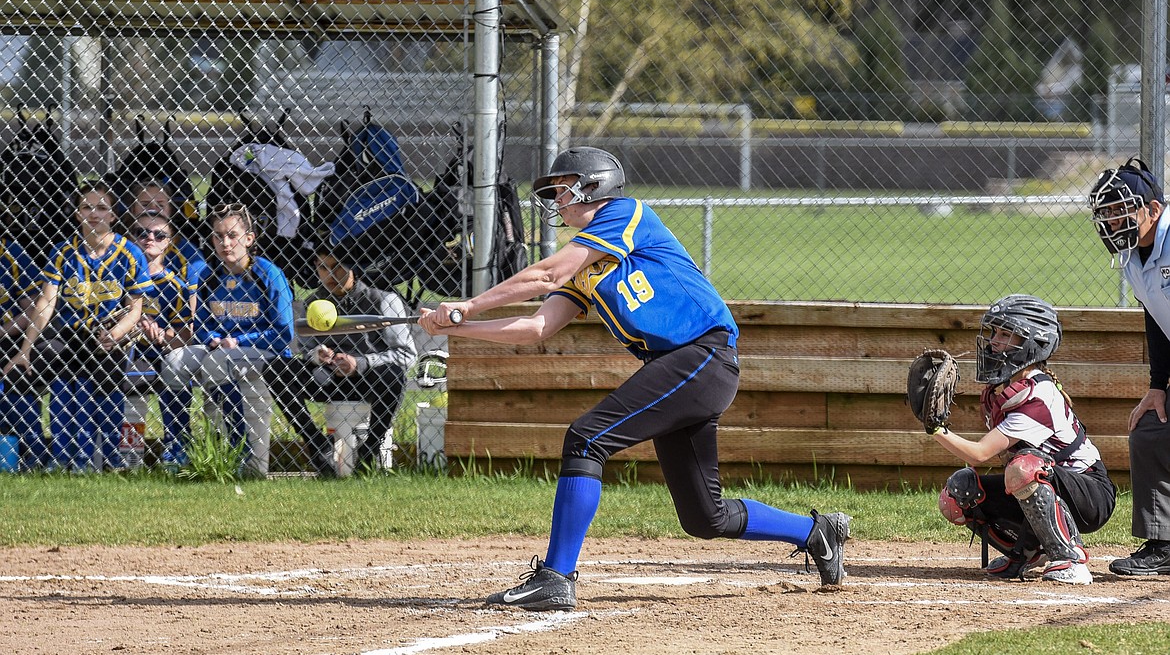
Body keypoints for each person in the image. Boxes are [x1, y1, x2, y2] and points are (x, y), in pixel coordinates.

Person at [419, 146, 851, 611]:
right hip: (678, 370)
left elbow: (546, 274)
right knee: (706, 517)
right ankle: (817, 532)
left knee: (586, 438)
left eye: (564, 188)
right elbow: (537, 327)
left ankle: (556, 577)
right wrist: (458, 326)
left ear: (593, 185)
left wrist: (469, 304)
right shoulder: (585, 263)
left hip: (702, 355)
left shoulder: (626, 214)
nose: (556, 200)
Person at [931, 295, 1116, 585]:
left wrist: (936, 429)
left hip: (1090, 493)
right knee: (958, 492)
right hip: (1049, 483)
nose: (994, 342)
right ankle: (1028, 551)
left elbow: (980, 453)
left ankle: (1070, 558)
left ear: (1034, 342)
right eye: (994, 332)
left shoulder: (1039, 395)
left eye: (1006, 334)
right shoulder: (1004, 390)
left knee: (1022, 467)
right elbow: (978, 462)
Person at [2, 180, 152, 470]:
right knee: (50, 359)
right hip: (71, 333)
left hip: (109, 333)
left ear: (113, 215)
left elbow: (136, 309)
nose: (94, 214)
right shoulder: (63, 252)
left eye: (102, 208)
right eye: (86, 207)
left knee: (106, 376)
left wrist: (116, 333)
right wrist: (25, 348)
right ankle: (60, 456)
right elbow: (46, 303)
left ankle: (107, 458)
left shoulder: (129, 253)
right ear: (76, 213)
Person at [160, 203, 293, 477]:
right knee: (173, 362)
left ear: (249, 239)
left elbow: (283, 334)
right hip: (224, 350)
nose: (225, 243)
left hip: (266, 353)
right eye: (218, 236)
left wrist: (240, 340)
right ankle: (179, 446)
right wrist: (213, 338)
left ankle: (239, 447)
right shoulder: (210, 276)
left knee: (219, 361)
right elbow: (203, 325)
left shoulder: (268, 274)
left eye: (232, 235)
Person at [265, 248, 416, 476]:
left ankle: (370, 450)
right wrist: (318, 355)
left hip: (369, 381)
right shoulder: (312, 303)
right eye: (323, 268)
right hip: (327, 380)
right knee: (274, 369)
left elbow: (407, 354)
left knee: (393, 374)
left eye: (337, 266)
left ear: (353, 267)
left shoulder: (383, 299)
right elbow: (307, 351)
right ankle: (317, 444)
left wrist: (361, 363)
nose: (331, 275)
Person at [1088, 158, 1170, 576]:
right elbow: (1158, 322)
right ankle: (1164, 543)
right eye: (1106, 212)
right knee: (1151, 429)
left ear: (1153, 210)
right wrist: (1158, 385)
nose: (1112, 219)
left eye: (1122, 209)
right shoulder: (1135, 259)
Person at [123, 211, 197, 466]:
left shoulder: (174, 284)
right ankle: (129, 456)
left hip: (164, 353)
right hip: (130, 352)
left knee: (175, 374)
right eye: (141, 233)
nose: (149, 238)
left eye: (159, 234)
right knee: (132, 380)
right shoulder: (121, 278)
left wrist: (163, 336)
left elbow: (185, 334)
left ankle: (176, 452)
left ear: (170, 241)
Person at [0, 236, 41, 466]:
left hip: (8, 338)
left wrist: (3, 331)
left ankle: (34, 455)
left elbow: (34, 308)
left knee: (15, 379)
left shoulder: (10, 252)